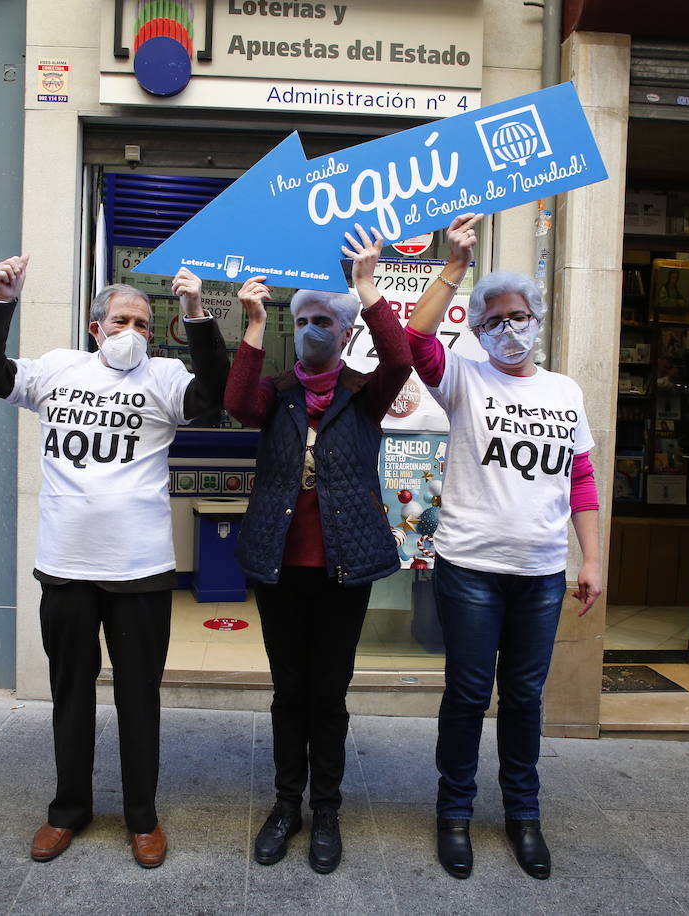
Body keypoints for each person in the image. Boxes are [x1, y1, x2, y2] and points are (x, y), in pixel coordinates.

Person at [0, 255, 229, 868]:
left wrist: (196, 316)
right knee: (69, 695)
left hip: (140, 572)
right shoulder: (58, 371)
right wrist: (2, 301)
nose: (131, 331)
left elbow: (214, 396)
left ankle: (142, 817)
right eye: (121, 321)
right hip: (66, 568)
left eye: (142, 321)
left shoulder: (163, 375)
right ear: (95, 327)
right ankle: (68, 809)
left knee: (140, 698)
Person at [403, 214, 603, 881]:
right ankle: (454, 814)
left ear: (537, 317)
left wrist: (592, 558)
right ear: (479, 330)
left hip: (541, 573)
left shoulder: (564, 391)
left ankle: (524, 815)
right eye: (493, 321)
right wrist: (455, 265)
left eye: (517, 316)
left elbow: (580, 478)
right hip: (470, 568)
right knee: (466, 694)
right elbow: (412, 338)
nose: (508, 329)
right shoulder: (463, 377)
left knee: (524, 697)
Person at [225, 225, 411, 874]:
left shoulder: (365, 395)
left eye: (323, 319)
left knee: (328, 694)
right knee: (288, 691)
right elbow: (235, 402)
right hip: (280, 567)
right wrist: (252, 324)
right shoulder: (274, 394)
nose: (311, 327)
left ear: (343, 330)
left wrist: (368, 290)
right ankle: (286, 805)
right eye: (302, 318)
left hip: (345, 568)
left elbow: (402, 362)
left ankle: (326, 808)